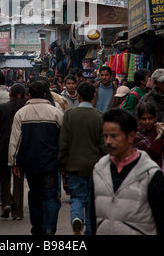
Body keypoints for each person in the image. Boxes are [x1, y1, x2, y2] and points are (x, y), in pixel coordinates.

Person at [90, 108, 164, 235]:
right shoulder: (99, 170)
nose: (108, 141)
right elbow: (93, 218)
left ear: (130, 136)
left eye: (114, 136)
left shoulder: (151, 175)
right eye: (105, 136)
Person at [8, 80, 63, 235]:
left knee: (35, 195)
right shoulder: (56, 112)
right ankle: (50, 228)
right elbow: (63, 139)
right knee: (51, 197)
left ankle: (37, 229)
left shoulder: (21, 113)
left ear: (29, 95)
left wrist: (14, 163)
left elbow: (15, 141)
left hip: (30, 163)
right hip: (51, 163)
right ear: (45, 94)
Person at [58, 82, 107, 235]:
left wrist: (62, 165)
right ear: (94, 96)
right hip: (95, 167)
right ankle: (90, 232)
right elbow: (104, 145)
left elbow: (63, 143)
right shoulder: (99, 117)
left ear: (78, 97)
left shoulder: (69, 115)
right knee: (92, 202)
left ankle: (77, 217)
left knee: (77, 197)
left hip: (74, 166)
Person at [0, 83, 26, 220]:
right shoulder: (25, 109)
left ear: (11, 94)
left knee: (4, 177)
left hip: (4, 145)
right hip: (20, 146)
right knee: (19, 178)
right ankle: (18, 212)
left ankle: (7, 203)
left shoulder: (2, 108)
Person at [134, 102, 164, 167]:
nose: (147, 122)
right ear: (139, 120)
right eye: (144, 119)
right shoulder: (137, 134)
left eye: (150, 118)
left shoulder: (160, 129)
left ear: (155, 118)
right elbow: (153, 151)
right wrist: (159, 133)